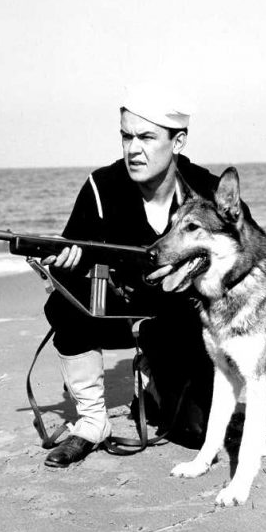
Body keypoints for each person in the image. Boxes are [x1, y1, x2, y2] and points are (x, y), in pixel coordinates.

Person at [42, 84, 219, 467]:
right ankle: (92, 423)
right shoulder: (100, 187)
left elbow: (243, 257)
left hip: (182, 320)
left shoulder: (208, 189)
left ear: (178, 141)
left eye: (146, 137)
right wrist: (62, 267)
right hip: (119, 312)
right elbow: (71, 256)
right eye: (126, 136)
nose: (133, 149)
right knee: (64, 301)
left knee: (196, 434)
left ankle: (154, 383)